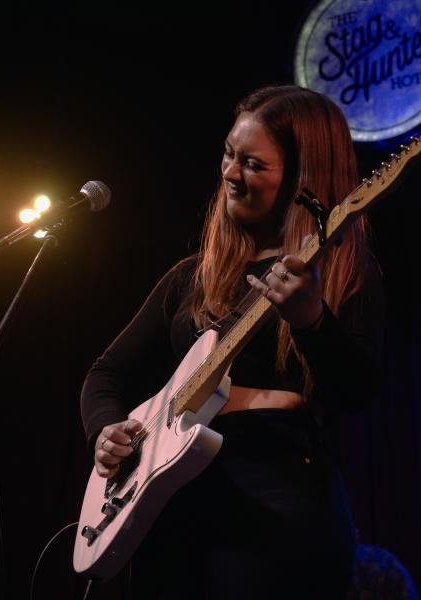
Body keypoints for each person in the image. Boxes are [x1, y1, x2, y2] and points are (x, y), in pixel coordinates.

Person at [80, 84, 385, 599]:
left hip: (279, 508)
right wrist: (103, 432)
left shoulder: (341, 272)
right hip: (170, 507)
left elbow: (359, 392)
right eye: (227, 154)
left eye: (252, 164)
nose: (229, 174)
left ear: (301, 179)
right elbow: (106, 373)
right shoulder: (190, 277)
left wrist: (313, 321)